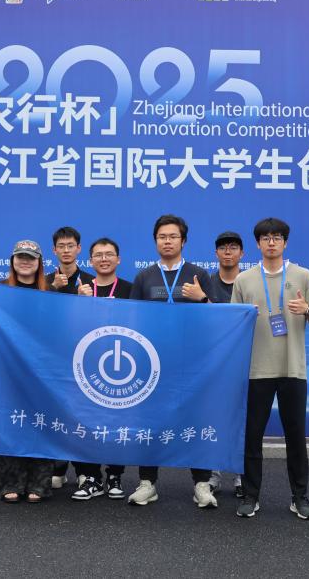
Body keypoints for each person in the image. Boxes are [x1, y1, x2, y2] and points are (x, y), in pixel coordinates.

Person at [230, 218, 309, 520]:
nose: (271, 243)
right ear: (258, 244)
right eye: (266, 238)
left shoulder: (303, 275)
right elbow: (233, 324)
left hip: (292, 369)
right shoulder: (244, 280)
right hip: (256, 370)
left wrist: (306, 310)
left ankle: (300, 497)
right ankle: (251, 496)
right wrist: (245, 317)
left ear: (285, 242)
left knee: (296, 437)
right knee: (252, 436)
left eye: (277, 238)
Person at [126, 214, 218, 508]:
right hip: (152, 363)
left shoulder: (198, 274)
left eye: (173, 236)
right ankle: (147, 483)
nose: (167, 241)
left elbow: (217, 319)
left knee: (195, 419)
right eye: (162, 237)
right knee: (149, 421)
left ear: (183, 241)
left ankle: (202, 484)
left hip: (191, 363)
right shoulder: (144, 277)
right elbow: (131, 320)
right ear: (155, 241)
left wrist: (201, 297)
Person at [72, 237, 133, 501]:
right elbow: (70, 326)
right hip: (86, 365)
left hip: (121, 366)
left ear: (118, 259)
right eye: (98, 255)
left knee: (117, 420)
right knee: (85, 420)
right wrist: (78, 302)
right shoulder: (82, 289)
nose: (104, 259)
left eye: (109, 254)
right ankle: (90, 477)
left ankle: (115, 474)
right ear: (90, 260)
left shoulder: (131, 289)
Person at [0, 239, 56, 503]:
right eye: (20, 256)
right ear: (12, 260)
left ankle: (39, 482)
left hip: (43, 371)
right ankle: (12, 481)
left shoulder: (51, 293)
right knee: (12, 422)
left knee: (41, 423)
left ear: (39, 262)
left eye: (30, 257)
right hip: (9, 370)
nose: (25, 261)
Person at [46, 226, 94, 488]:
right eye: (61, 246)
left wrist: (87, 299)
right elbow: (35, 313)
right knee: (56, 410)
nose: (66, 250)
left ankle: (84, 468)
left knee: (82, 413)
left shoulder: (91, 281)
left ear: (79, 249)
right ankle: (58, 466)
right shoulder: (45, 281)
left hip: (84, 357)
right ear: (54, 250)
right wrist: (52, 290)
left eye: (70, 246)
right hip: (52, 357)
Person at [206, 231, 246, 498]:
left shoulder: (251, 281)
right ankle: (213, 475)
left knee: (243, 419)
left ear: (242, 253)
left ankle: (242, 475)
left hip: (246, 360)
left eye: (233, 247)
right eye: (223, 248)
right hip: (214, 363)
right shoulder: (207, 283)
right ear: (216, 253)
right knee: (214, 418)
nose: (228, 252)